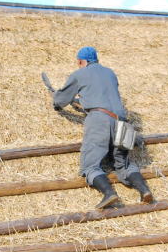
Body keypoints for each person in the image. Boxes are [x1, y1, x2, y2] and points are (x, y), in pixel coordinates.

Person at [52, 46, 153, 209]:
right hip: (123, 121)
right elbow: (103, 96)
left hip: (100, 120)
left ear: (80, 61)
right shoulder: (110, 73)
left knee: (90, 166)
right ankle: (144, 190)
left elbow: (61, 99)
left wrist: (55, 102)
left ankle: (109, 194)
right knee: (123, 164)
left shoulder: (80, 74)